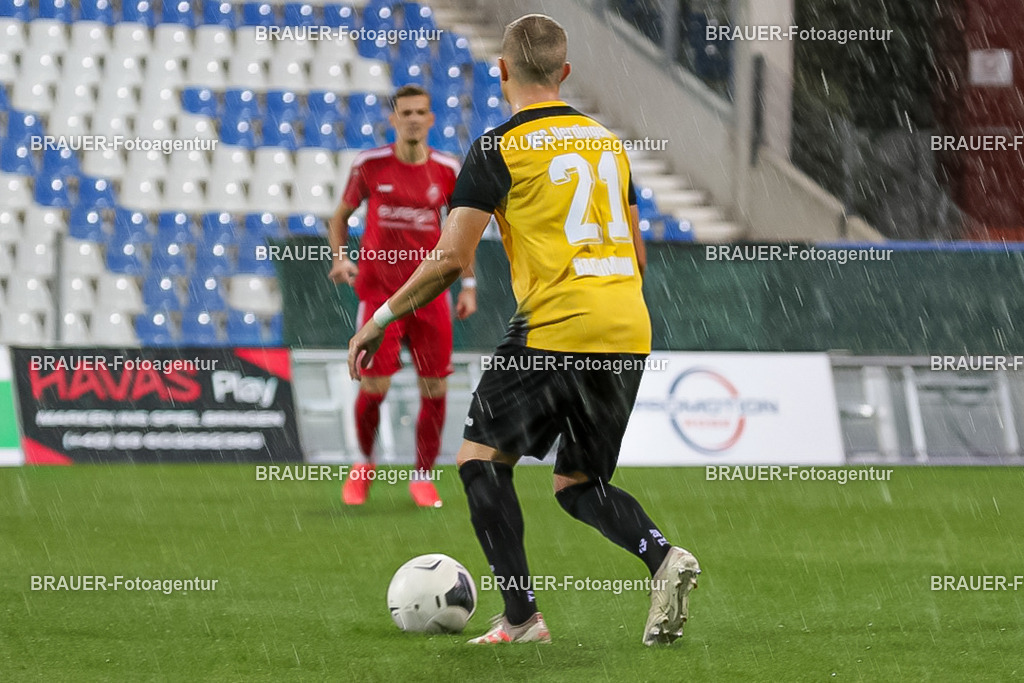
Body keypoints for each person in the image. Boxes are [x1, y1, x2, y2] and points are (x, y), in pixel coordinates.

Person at [347, 15, 700, 646]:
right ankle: (661, 556)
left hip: (554, 325)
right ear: (565, 74)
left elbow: (452, 259)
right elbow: (640, 256)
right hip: (625, 326)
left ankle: (521, 618)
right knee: (579, 484)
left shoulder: (496, 147)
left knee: (479, 460)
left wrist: (379, 317)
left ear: (502, 70)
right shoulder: (608, 144)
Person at [328, 84, 477, 509]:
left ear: (431, 119)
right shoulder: (370, 164)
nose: (413, 118)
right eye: (405, 112)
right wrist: (340, 259)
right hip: (378, 295)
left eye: (420, 112)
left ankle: (423, 476)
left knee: (434, 388)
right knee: (374, 384)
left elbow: (460, 233)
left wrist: (468, 285)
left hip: (431, 296)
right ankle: (364, 465)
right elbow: (340, 217)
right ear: (393, 120)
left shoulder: (448, 168)